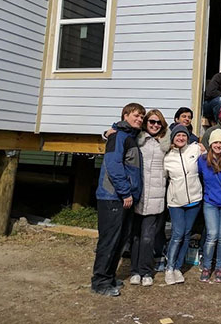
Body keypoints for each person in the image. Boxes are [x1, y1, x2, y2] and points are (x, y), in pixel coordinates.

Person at [91, 103, 145, 297]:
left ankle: (110, 275)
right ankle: (100, 281)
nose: (139, 119)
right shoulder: (118, 137)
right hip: (112, 197)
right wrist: (125, 192)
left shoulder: (129, 137)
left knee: (121, 239)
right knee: (110, 240)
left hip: (124, 198)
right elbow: (113, 166)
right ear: (125, 115)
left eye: (141, 117)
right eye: (136, 115)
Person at [128, 109, 171, 287]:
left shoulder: (166, 143)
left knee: (148, 237)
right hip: (137, 195)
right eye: (151, 122)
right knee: (135, 236)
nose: (154, 125)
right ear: (146, 123)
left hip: (156, 197)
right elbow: (119, 136)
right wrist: (108, 133)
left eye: (158, 122)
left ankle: (146, 271)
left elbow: (184, 140)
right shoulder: (137, 140)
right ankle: (135, 271)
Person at [163, 125, 206, 285]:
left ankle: (178, 268)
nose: (181, 138)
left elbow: (210, 154)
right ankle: (169, 267)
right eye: (177, 136)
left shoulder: (195, 149)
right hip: (176, 202)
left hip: (194, 199)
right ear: (172, 138)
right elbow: (163, 177)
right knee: (177, 234)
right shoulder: (167, 157)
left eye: (183, 135)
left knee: (187, 233)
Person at [197, 129, 221, 283]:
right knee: (212, 235)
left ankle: (219, 267)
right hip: (210, 202)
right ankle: (207, 266)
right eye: (215, 142)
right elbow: (199, 177)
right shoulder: (202, 160)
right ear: (211, 144)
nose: (218, 145)